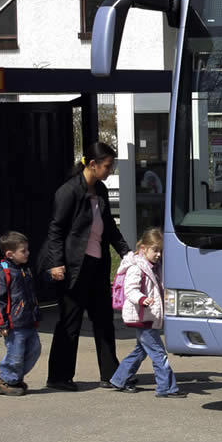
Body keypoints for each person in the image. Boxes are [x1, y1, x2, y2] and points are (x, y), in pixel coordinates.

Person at [42, 142, 131, 390]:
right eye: (107, 166)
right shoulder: (68, 191)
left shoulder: (100, 190)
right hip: (73, 268)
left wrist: (126, 251)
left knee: (103, 320)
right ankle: (59, 377)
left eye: (111, 166)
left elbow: (109, 227)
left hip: (97, 265)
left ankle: (111, 374)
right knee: (70, 322)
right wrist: (56, 263)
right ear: (92, 164)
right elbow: (56, 230)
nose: (109, 171)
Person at [109, 227, 182, 397]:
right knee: (159, 354)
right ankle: (167, 388)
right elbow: (131, 290)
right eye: (155, 250)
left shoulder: (155, 267)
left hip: (148, 316)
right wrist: (142, 299)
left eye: (161, 251)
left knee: (140, 351)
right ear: (144, 248)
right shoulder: (137, 268)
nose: (158, 254)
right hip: (142, 315)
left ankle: (119, 379)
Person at [0, 230, 41, 396]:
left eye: (27, 250)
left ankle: (14, 378)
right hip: (13, 324)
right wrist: (1, 323)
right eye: (23, 251)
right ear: (10, 254)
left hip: (28, 321)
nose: (27, 253)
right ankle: (6, 380)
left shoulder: (25, 271)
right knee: (15, 354)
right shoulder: (2, 273)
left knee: (34, 349)